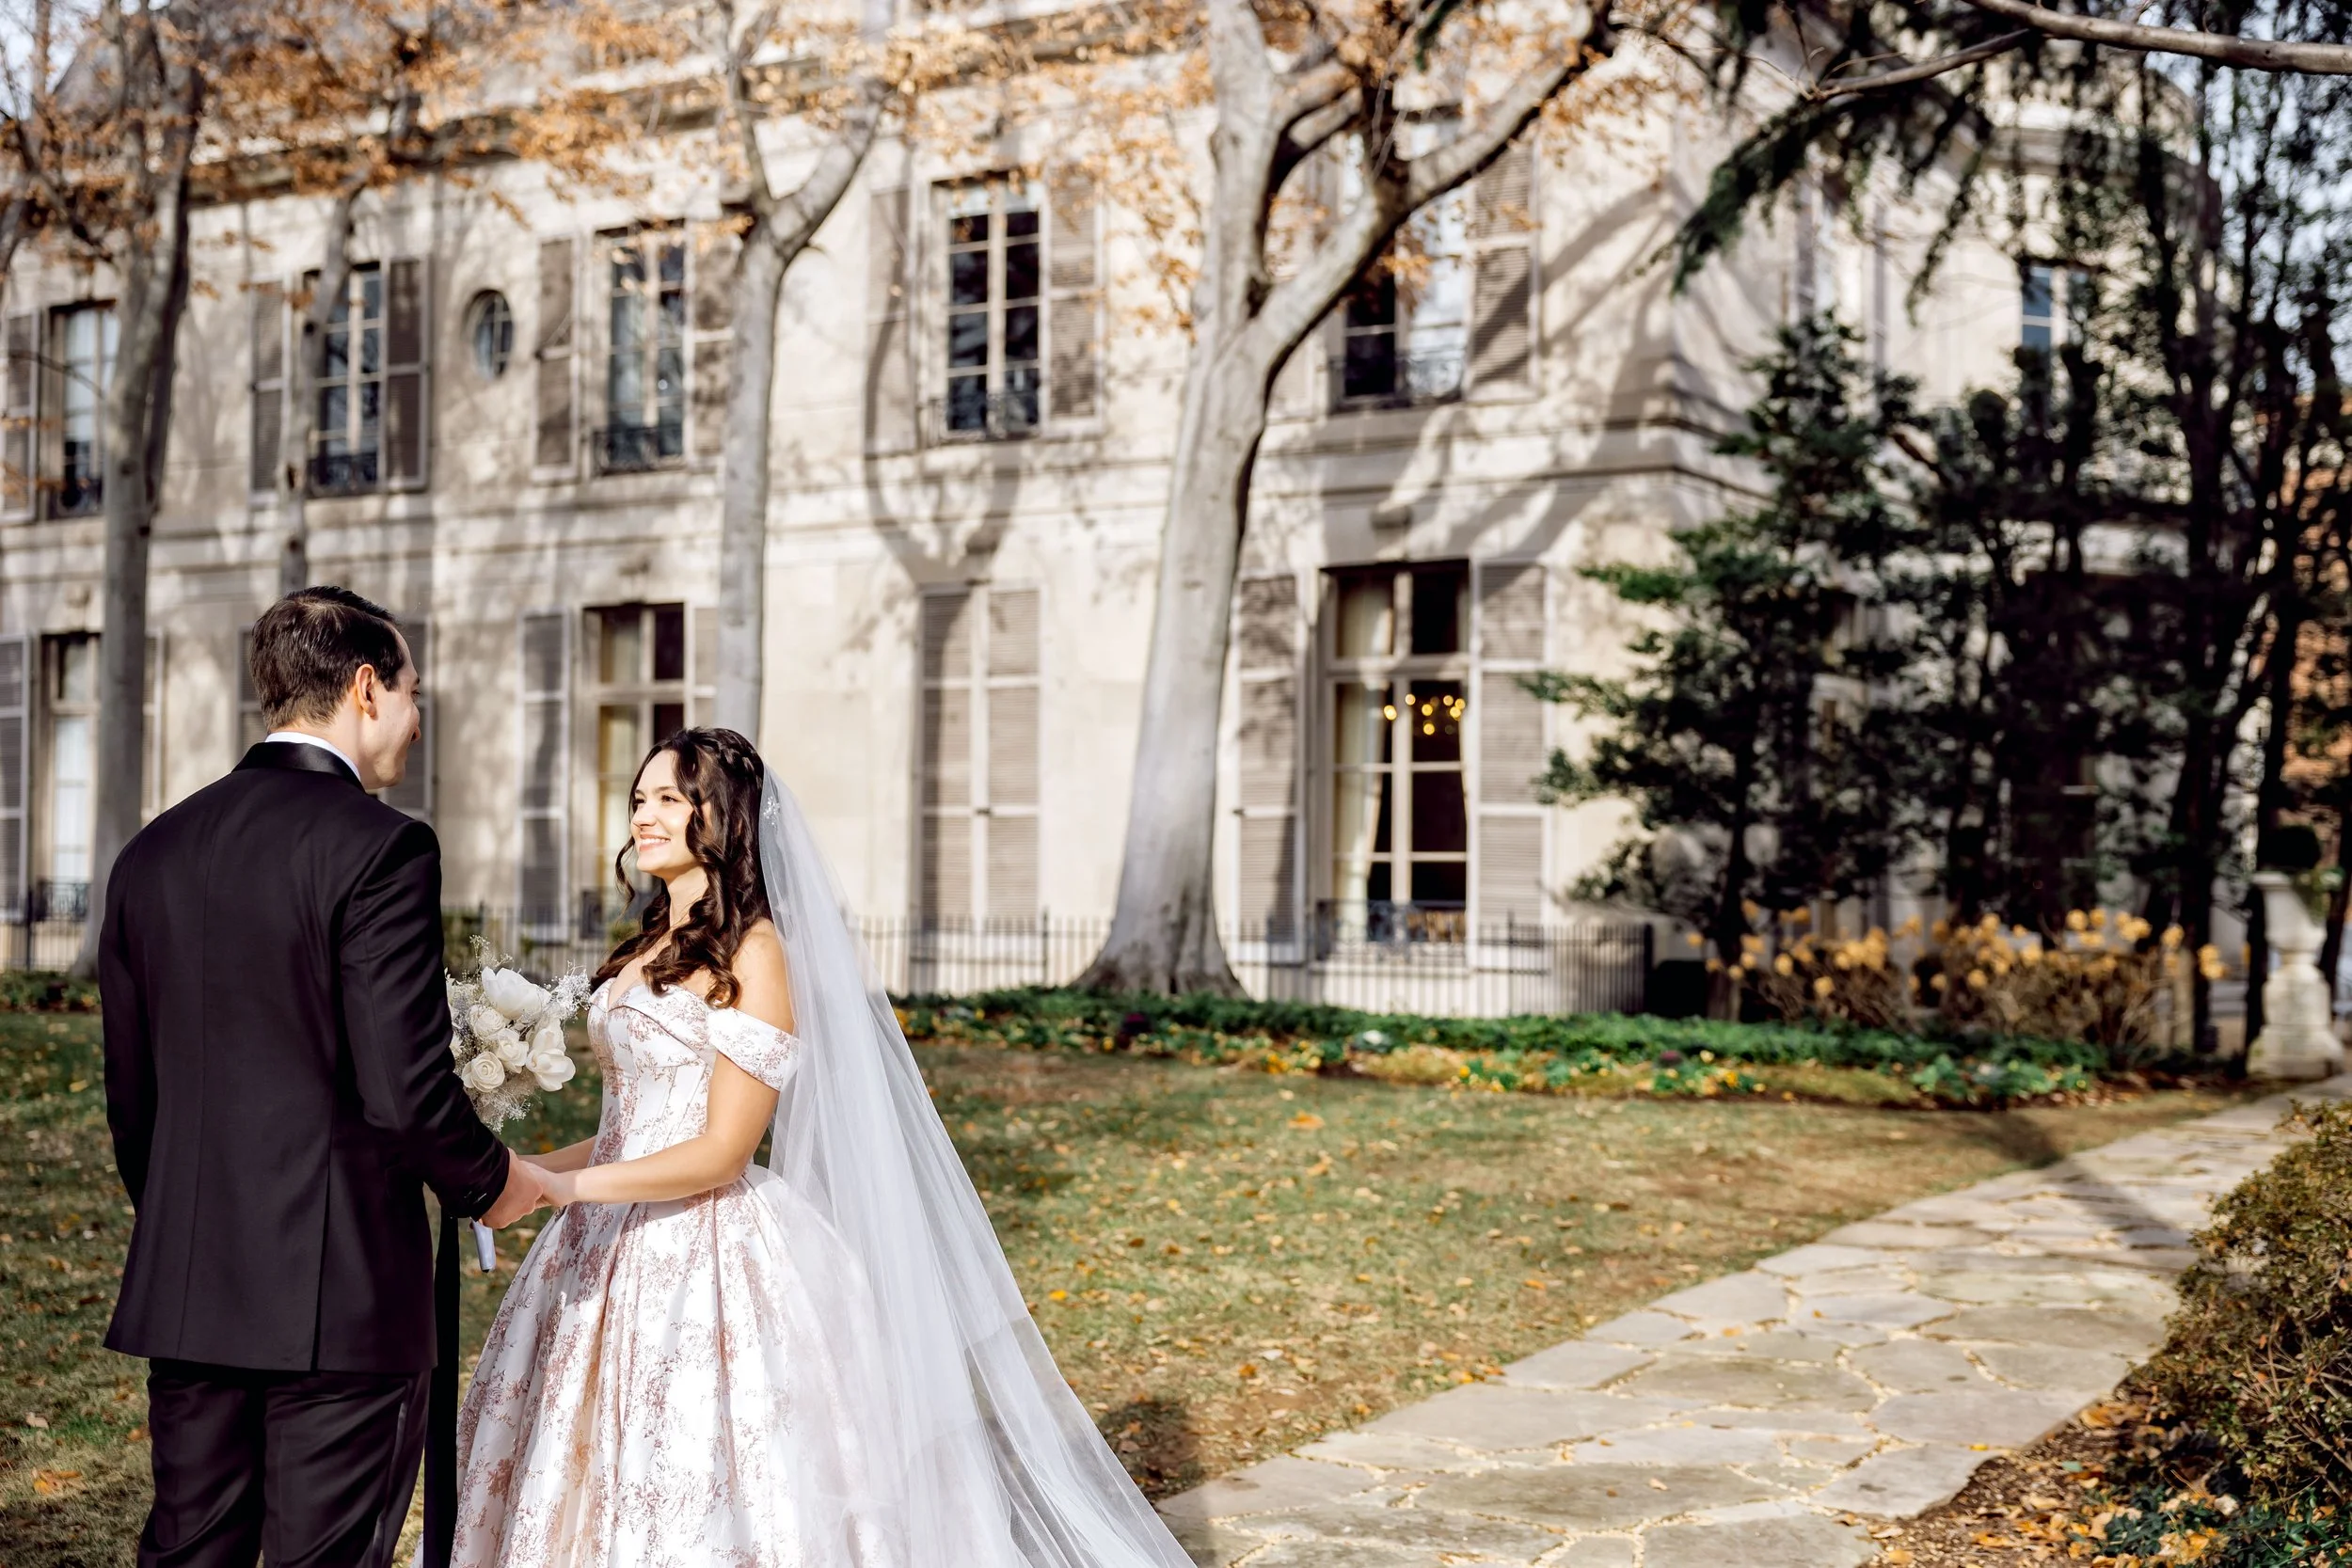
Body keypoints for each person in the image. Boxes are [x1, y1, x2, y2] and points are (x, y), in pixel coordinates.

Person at [455, 728, 1190, 1568]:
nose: (644, 816)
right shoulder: (647, 945)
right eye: (638, 799)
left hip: (699, 1249)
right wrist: (533, 1171)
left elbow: (722, 1150)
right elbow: (633, 1124)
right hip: (602, 1243)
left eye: (670, 798)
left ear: (723, 820)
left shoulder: (756, 952)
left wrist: (565, 1191)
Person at [100, 586, 548, 1568]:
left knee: (190, 1554)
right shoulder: (381, 845)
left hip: (193, 1289)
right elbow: (401, 1086)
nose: (419, 718)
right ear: (364, 687)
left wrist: (193, 1231)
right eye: (414, 689)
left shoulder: (150, 853)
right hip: (342, 1299)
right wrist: (489, 1178)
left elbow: (133, 1103)